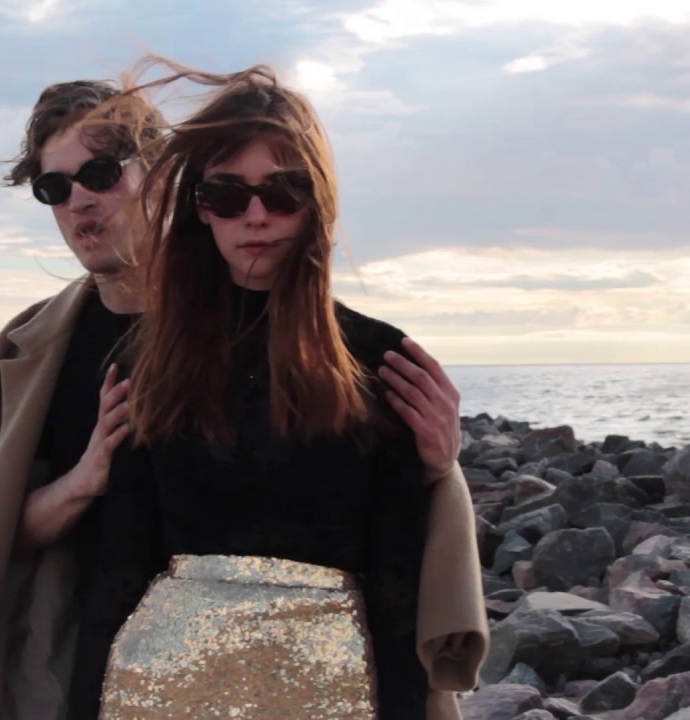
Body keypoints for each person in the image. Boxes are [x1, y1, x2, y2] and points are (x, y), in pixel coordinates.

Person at [0, 75, 480, 720]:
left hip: (285, 670)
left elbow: (350, 495)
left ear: (161, 179)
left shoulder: (278, 327)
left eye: (100, 174)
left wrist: (441, 472)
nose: (79, 200)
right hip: (73, 649)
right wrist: (80, 485)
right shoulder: (35, 348)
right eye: (54, 187)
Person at [94, 60, 488, 719]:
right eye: (228, 194)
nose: (255, 216)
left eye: (283, 191)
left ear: (316, 203)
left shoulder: (380, 361)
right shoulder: (146, 359)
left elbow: (396, 582)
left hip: (333, 694)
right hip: (154, 691)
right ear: (200, 208)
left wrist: (441, 471)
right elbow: (118, 566)